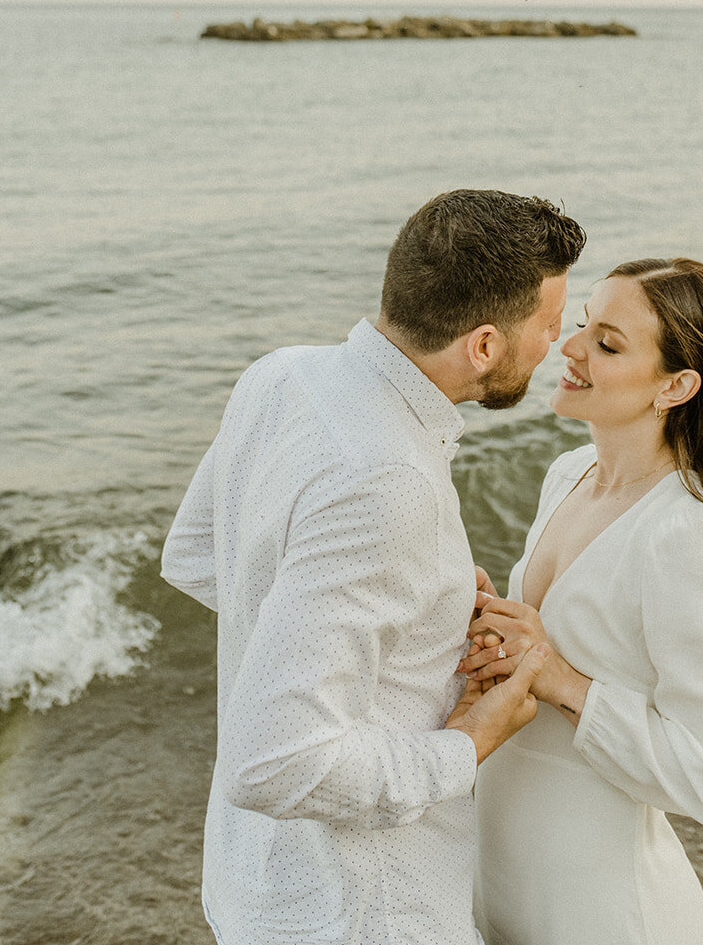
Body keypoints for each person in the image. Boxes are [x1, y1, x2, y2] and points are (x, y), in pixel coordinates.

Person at [161, 189, 586, 945]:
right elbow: (275, 763)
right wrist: (467, 743)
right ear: (483, 345)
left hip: (255, 881)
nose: (557, 341)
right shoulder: (391, 482)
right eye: (548, 323)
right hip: (366, 910)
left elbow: (199, 555)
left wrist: (420, 604)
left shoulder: (282, 376)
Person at [464, 257, 703, 945]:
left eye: (607, 343)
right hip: (496, 882)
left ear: (675, 385)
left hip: (603, 912)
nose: (570, 348)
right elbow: (551, 650)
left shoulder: (692, 534)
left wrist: (558, 678)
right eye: (583, 325)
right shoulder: (570, 474)